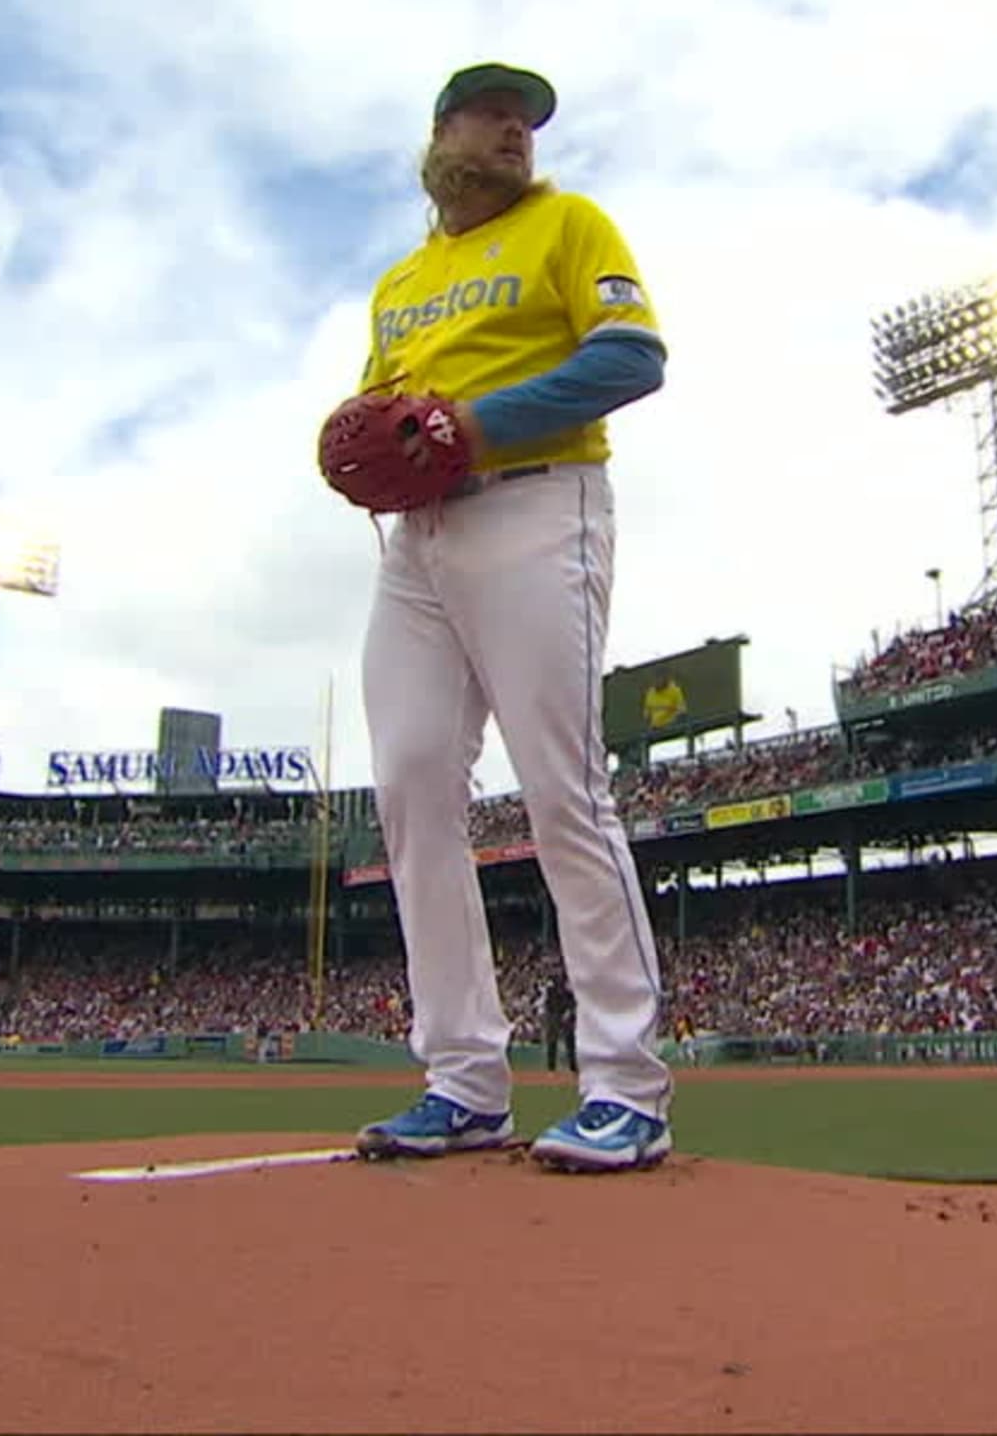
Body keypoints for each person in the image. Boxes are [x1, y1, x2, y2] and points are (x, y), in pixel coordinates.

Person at [345, 62, 677, 1175]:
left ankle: (626, 1085)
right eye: (492, 116)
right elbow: (383, 413)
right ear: (440, 135)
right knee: (411, 786)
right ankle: (463, 1079)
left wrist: (471, 426)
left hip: (539, 505)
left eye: (526, 123)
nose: (514, 135)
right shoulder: (402, 285)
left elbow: (633, 358)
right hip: (420, 545)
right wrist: (361, 443)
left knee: (562, 789)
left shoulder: (569, 224)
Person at [542, 977, 578, 1074]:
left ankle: (571, 1066)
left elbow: (573, 1002)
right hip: (555, 1015)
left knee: (569, 1041)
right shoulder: (552, 990)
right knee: (555, 1041)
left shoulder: (566, 989)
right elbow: (547, 1004)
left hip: (561, 1015)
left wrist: (569, 1011)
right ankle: (552, 1068)